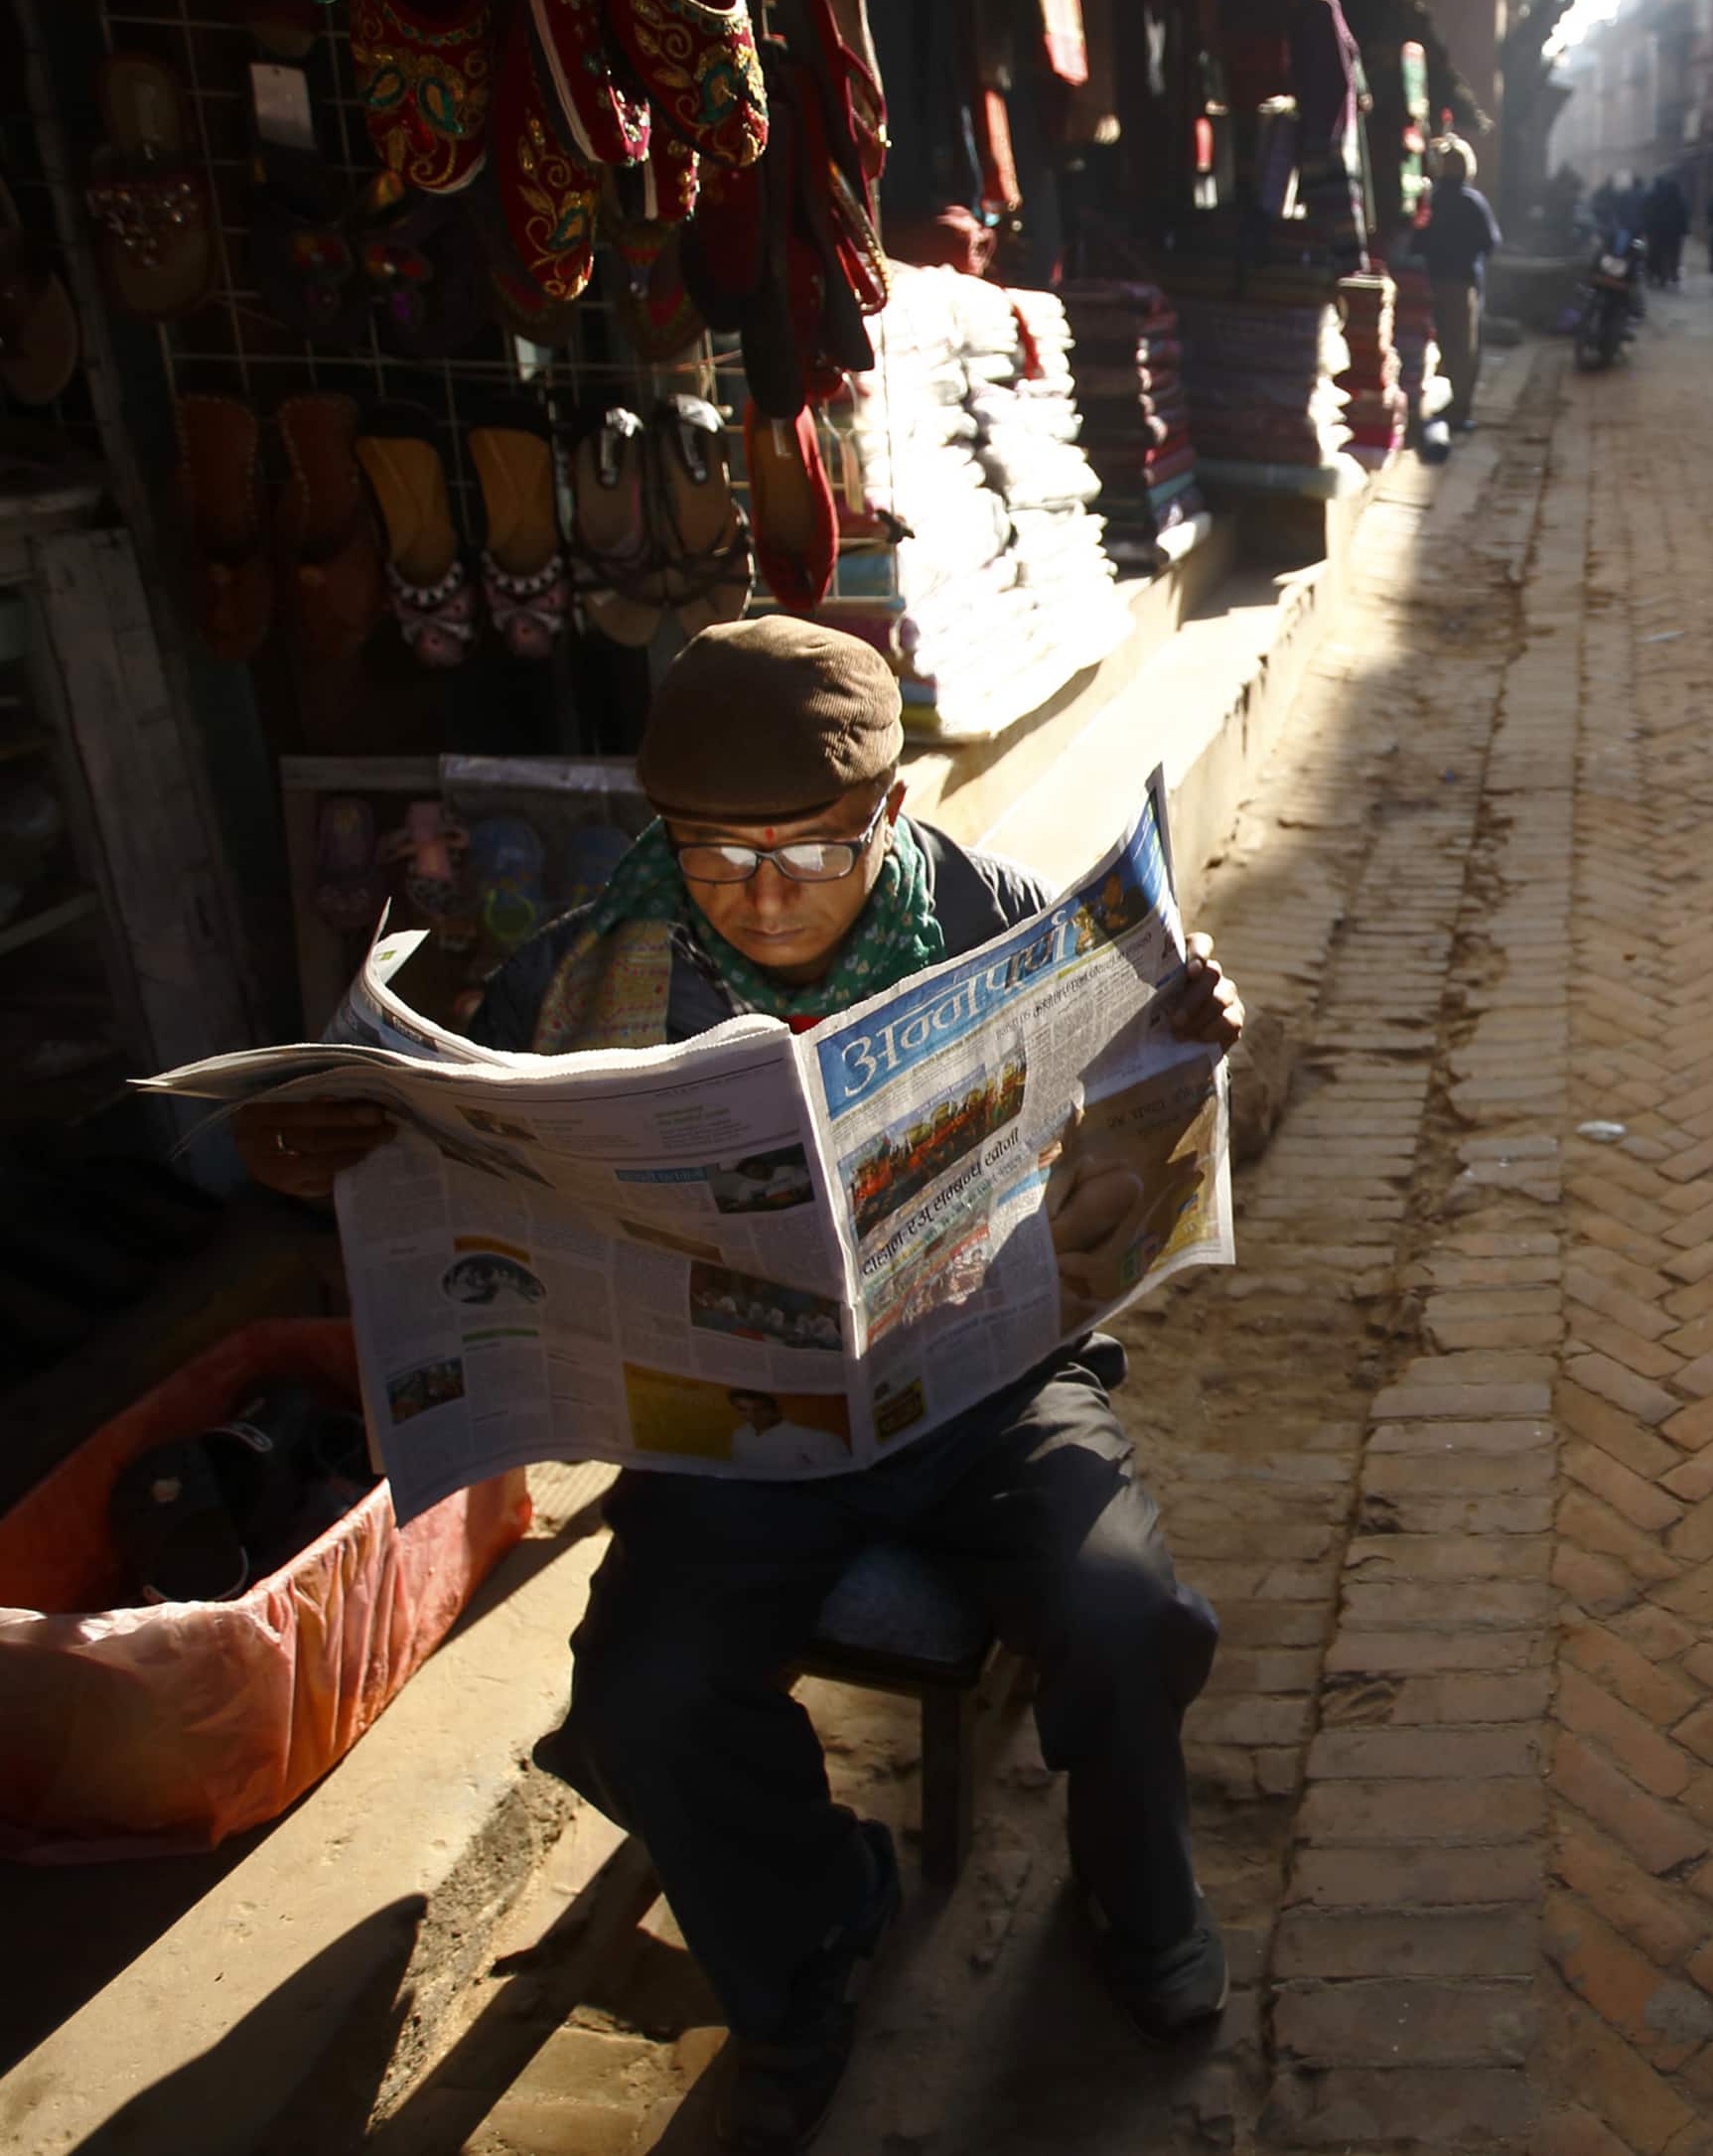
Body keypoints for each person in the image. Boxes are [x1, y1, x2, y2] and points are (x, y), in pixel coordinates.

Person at [233, 620, 1247, 2154]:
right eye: (717, 853)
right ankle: (816, 1925)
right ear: (664, 832)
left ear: (890, 812)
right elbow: (438, 1161)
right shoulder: (578, 977)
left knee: (1129, 1616)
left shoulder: (1003, 920)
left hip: (985, 1398)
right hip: (732, 1441)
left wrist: (1192, 1030)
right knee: (643, 1697)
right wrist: (318, 1164)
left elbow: (1138, 1106)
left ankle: (1133, 1892)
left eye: (816, 851)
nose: (767, 893)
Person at [1418, 138, 1501, 433]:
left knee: (1440, 342)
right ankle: (1460, 409)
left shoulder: (1431, 199)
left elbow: (1418, 239)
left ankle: (1442, 405)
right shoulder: (1472, 201)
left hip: (1431, 280)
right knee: (1463, 347)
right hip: (1463, 281)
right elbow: (1490, 243)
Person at [726, 1389, 846, 1473]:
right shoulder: (739, 1435)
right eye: (742, 1409)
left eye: (760, 1409)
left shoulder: (818, 1439)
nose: (751, 1415)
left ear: (777, 1409)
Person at [1642, 172, 1690, 287]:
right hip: (1673, 232)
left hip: (1658, 231)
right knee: (1673, 253)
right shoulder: (1677, 198)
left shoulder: (1653, 197)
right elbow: (1685, 214)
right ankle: (1672, 274)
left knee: (1656, 252)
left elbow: (1647, 213)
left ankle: (1655, 273)